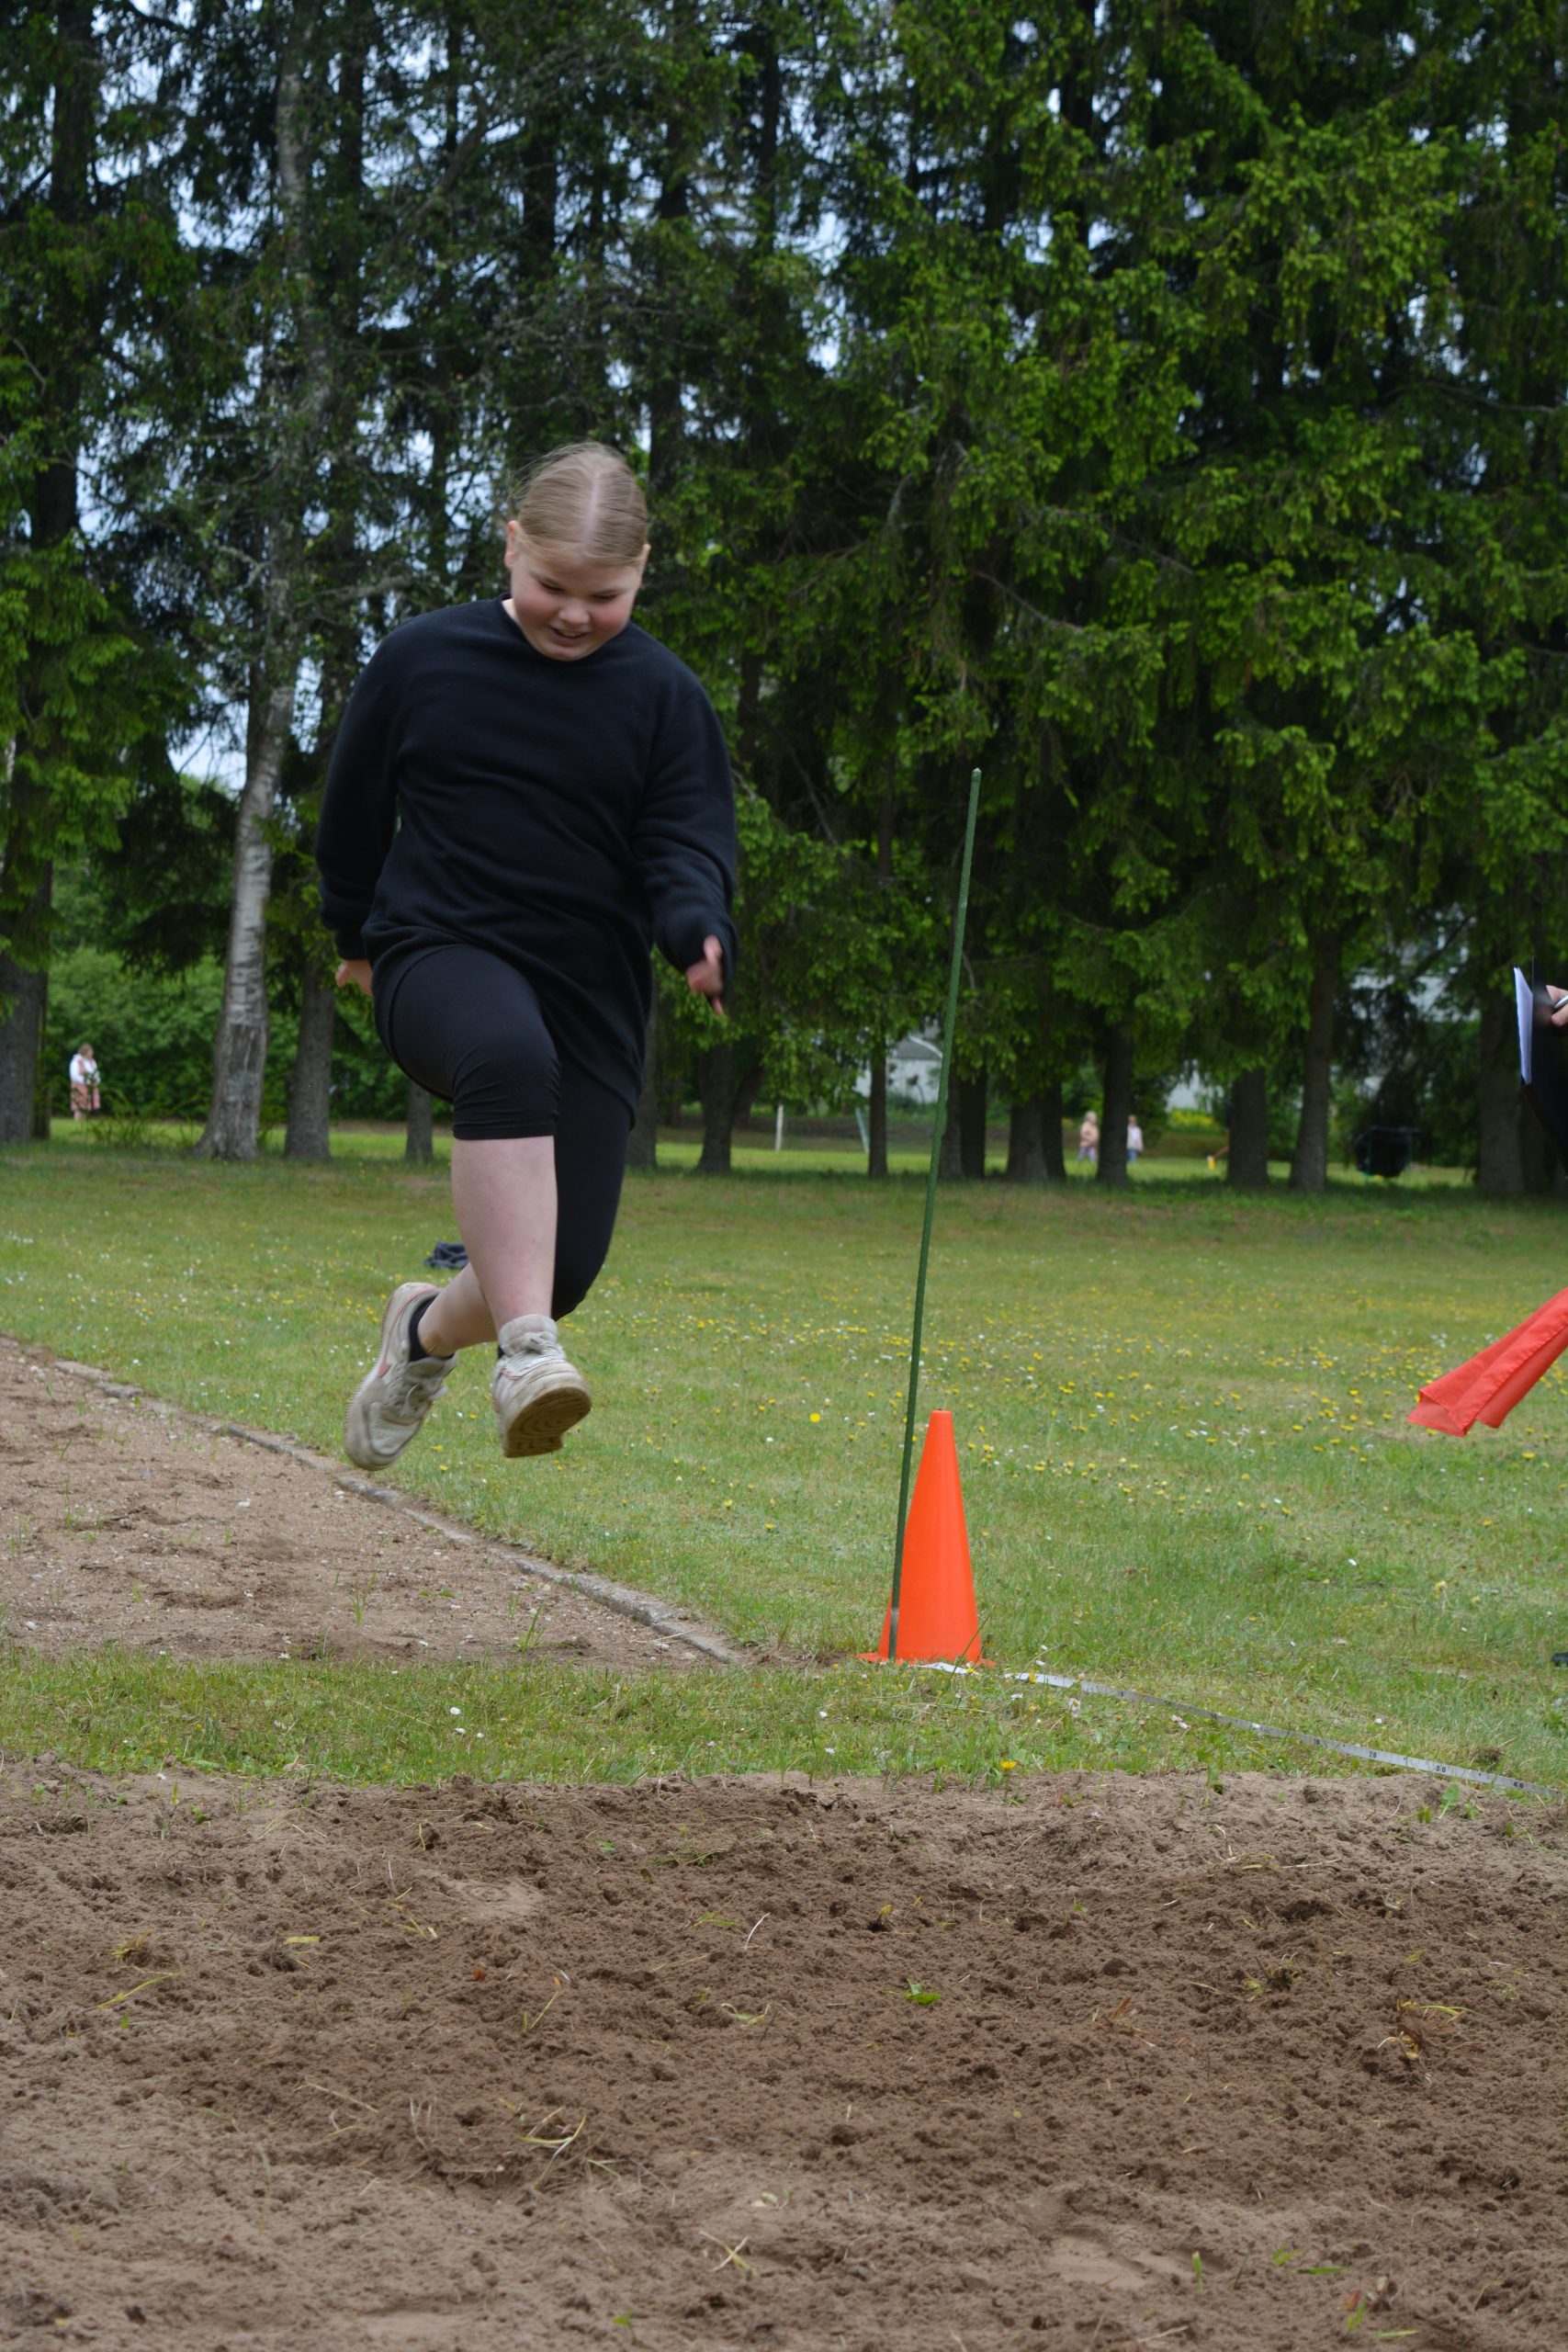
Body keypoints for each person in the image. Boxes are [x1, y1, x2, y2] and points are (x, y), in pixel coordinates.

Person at [315, 442, 736, 1471]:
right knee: (505, 1056)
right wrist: (353, 936)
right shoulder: (422, 659)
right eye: (553, 586)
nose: (575, 615)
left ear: (642, 569)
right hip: (436, 953)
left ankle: (423, 1335)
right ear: (511, 546)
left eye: (605, 595)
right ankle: (526, 1360)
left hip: (587, 994)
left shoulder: (665, 696)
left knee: (559, 1267)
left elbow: (684, 838)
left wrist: (695, 925)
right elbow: (353, 811)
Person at [68, 1043, 100, 1119]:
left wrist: (96, 1081)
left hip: (90, 1086)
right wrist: (87, 1081)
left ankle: (85, 1120)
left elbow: (96, 1073)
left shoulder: (92, 1061)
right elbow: (74, 1075)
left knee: (87, 1106)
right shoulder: (76, 1061)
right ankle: (77, 1120)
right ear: (85, 1052)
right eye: (90, 1051)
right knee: (79, 1106)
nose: (92, 1053)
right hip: (78, 1086)